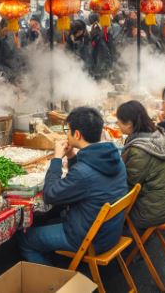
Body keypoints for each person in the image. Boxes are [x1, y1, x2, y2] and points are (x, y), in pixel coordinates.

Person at [17, 107, 127, 265]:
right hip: (110, 231)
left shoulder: (84, 173)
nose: (65, 133)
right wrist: (71, 155)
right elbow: (83, 182)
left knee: (24, 238)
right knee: (48, 220)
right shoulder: (115, 156)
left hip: (89, 240)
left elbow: (50, 195)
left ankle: (52, 282)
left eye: (67, 130)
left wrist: (56, 159)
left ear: (77, 134)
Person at [116, 101, 165, 230]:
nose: (117, 125)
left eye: (119, 122)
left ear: (129, 124)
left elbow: (127, 187)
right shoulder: (158, 134)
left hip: (151, 212)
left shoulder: (139, 151)